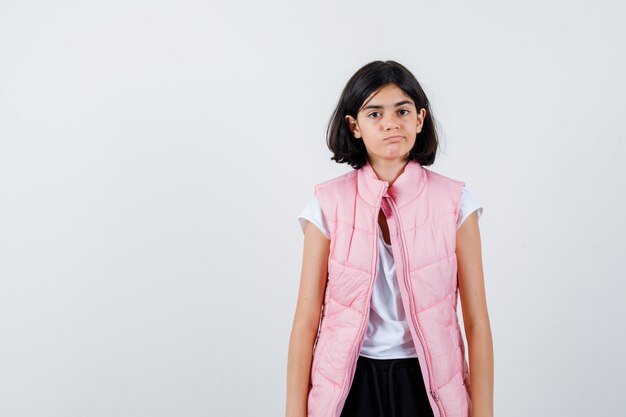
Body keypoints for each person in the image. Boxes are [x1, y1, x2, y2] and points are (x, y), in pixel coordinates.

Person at [286, 60, 494, 417]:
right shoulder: (327, 204)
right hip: (350, 384)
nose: (390, 123)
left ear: (420, 119)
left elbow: (476, 322)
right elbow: (306, 319)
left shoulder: (455, 203)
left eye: (402, 110)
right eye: (375, 113)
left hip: (427, 384)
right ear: (354, 126)